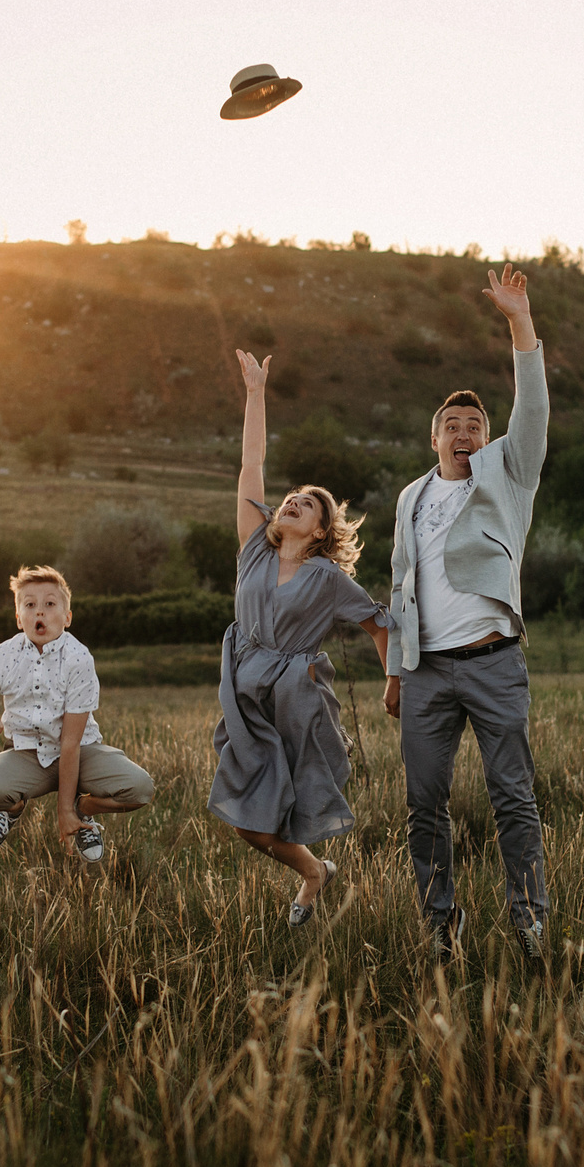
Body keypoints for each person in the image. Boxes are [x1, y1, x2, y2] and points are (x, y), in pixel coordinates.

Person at [383, 265, 548, 960]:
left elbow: (532, 409)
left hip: (492, 661)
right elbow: (400, 583)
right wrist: (395, 671)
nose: (462, 432)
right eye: (450, 425)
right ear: (434, 440)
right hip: (425, 672)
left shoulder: (509, 473)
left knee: (512, 795)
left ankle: (530, 919)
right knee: (424, 805)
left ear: (486, 438)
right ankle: (440, 926)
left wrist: (519, 321)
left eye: (473, 425)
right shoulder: (410, 497)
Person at [209, 351, 394, 922]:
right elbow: (252, 464)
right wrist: (256, 393)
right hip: (246, 695)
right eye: (292, 497)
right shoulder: (253, 552)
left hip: (295, 700)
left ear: (319, 531)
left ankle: (312, 875)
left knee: (281, 809)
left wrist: (393, 684)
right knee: (246, 819)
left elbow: (377, 623)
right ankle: (315, 871)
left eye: (308, 504)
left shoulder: (327, 578)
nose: (293, 501)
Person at [0, 564, 154, 862]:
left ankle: (83, 810)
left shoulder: (79, 658)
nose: (39, 611)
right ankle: (10, 812)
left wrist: (65, 811)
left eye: (50, 604)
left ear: (67, 618)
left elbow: (70, 743)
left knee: (140, 789)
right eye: (30, 605)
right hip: (26, 753)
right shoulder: (5, 655)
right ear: (19, 619)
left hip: (80, 751)